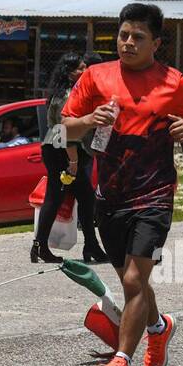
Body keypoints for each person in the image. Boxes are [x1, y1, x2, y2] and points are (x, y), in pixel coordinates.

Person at [62, 3, 183, 366]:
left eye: (138, 37)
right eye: (123, 35)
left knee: (134, 279)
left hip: (154, 193)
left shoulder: (173, 82)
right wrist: (88, 120)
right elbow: (64, 127)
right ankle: (158, 328)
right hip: (109, 195)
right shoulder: (96, 76)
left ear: (157, 44)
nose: (128, 43)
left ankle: (121, 363)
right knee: (132, 283)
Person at [32, 51, 105, 264]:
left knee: (78, 197)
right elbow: (66, 133)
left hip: (60, 149)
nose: (85, 71)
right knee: (59, 197)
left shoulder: (68, 91)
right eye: (80, 68)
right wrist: (73, 162)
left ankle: (88, 246)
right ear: (70, 72)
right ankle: (43, 246)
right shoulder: (67, 95)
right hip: (61, 151)